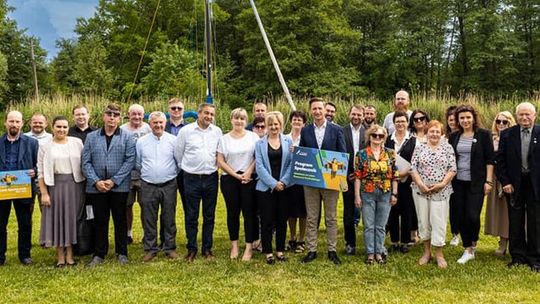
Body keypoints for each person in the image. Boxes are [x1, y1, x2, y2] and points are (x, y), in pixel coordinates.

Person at [82, 104, 136, 266]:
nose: (112, 117)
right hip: (97, 187)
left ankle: (122, 252)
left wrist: (114, 180)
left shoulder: (127, 137)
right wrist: (96, 181)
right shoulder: (91, 137)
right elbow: (85, 162)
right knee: (100, 220)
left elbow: (130, 161)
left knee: (120, 219)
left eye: (116, 115)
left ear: (120, 118)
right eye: (109, 114)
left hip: (119, 186)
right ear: (103, 116)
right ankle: (99, 253)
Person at [300, 97, 346, 265]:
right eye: (314, 109)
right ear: (311, 111)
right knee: (312, 217)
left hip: (330, 180)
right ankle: (311, 250)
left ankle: (332, 250)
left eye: (320, 108)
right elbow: (304, 154)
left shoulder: (336, 130)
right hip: (311, 180)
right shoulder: (305, 131)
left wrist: (339, 178)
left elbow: (342, 155)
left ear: (325, 110)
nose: (318, 112)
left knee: (331, 217)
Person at [175, 103, 222, 262]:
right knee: (191, 215)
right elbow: (178, 154)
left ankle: (207, 248)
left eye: (212, 114)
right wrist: (189, 168)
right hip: (191, 178)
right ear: (199, 113)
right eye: (206, 113)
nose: (209, 117)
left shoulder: (217, 132)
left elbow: (219, 154)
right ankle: (192, 248)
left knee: (209, 215)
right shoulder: (186, 131)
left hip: (211, 177)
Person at [448, 104, 494, 264]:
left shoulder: (484, 135)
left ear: (473, 118)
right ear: (458, 120)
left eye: (468, 117)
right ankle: (468, 248)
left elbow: (490, 160)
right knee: (461, 214)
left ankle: (473, 241)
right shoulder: (454, 136)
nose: (465, 120)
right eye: (462, 118)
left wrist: (488, 181)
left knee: (473, 215)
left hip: (477, 182)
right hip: (458, 182)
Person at [497, 102, 540, 272]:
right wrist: (505, 182)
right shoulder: (507, 134)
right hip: (514, 184)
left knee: (535, 221)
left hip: (536, 184)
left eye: (528, 114)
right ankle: (518, 256)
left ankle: (535, 258)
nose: (524, 117)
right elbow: (500, 161)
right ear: (516, 116)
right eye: (521, 114)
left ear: (534, 115)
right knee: (515, 221)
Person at [38, 116, 85, 267]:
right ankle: (60, 256)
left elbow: (84, 163)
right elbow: (40, 171)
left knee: (71, 219)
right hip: (55, 186)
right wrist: (44, 193)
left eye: (65, 127)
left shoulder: (77, 143)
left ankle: (70, 255)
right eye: (58, 127)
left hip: (75, 185)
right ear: (52, 127)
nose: (62, 130)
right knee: (58, 219)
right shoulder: (45, 146)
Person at [410, 120, 457, 268]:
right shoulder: (420, 148)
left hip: (441, 191)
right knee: (423, 221)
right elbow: (413, 168)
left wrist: (442, 184)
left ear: (442, 134)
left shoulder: (447, 148)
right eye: (432, 131)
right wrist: (421, 184)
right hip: (421, 190)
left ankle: (439, 253)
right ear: (427, 133)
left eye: (437, 131)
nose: (434, 134)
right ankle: (426, 252)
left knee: (438, 221)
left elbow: (452, 169)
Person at [217, 108, 259, 261]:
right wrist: (235, 175)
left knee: (249, 213)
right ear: (231, 120)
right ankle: (234, 245)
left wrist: (248, 172)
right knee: (232, 213)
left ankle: (248, 247)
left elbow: (257, 157)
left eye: (242, 118)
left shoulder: (253, 137)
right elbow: (220, 161)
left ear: (246, 121)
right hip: (230, 179)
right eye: (236, 118)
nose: (239, 121)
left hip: (249, 179)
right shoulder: (224, 139)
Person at [136, 111, 179, 262]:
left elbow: (178, 162)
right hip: (148, 185)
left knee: (169, 217)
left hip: (169, 184)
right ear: (150, 124)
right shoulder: (141, 142)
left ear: (165, 123)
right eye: (155, 123)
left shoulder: (173, 140)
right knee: (149, 218)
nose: (158, 125)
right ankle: (150, 248)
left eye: (161, 122)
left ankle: (169, 247)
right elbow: (138, 163)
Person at [354, 125, 399, 264]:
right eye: (375, 135)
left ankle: (379, 252)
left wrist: (394, 194)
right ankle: (370, 253)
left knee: (381, 225)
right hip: (367, 192)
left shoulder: (391, 153)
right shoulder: (361, 154)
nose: (377, 138)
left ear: (384, 137)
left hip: (385, 192)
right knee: (369, 225)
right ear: (370, 137)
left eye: (380, 136)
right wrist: (357, 196)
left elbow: (395, 175)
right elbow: (357, 176)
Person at [0, 111, 38, 266]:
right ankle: (0, 256)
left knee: (25, 224)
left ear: (22, 123)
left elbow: (38, 165)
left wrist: (35, 171)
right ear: (5, 122)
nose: (14, 124)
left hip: (23, 188)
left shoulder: (32, 143)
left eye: (17, 121)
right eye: (11, 121)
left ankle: (24, 255)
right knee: (0, 224)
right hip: (2, 190)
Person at [255, 111, 293, 264]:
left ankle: (280, 250)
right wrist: (273, 183)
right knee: (266, 220)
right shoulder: (260, 144)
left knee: (282, 219)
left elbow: (291, 163)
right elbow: (259, 166)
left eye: (276, 124)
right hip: (266, 188)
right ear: (266, 126)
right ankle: (268, 251)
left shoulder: (287, 142)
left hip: (284, 187)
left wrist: (283, 182)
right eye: (270, 124)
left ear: (280, 125)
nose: (273, 127)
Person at [385, 111, 416, 253]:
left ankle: (405, 241)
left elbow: (416, 162)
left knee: (406, 211)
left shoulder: (413, 140)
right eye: (397, 121)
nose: (400, 124)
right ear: (393, 123)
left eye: (403, 121)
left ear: (407, 123)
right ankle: (394, 241)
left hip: (408, 181)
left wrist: (403, 173)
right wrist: (393, 175)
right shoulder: (387, 140)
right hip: (390, 180)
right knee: (392, 211)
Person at [121, 104, 151, 245]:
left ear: (143, 115)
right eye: (134, 114)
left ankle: (147, 234)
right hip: (127, 175)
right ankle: (128, 233)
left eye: (140, 114)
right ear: (128, 114)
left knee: (146, 205)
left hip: (144, 175)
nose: (137, 117)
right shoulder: (122, 129)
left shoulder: (148, 129)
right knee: (127, 205)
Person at [486, 111, 515, 256]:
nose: (501, 124)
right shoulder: (491, 139)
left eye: (505, 121)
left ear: (511, 122)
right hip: (495, 178)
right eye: (499, 121)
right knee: (499, 212)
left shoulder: (514, 137)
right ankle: (502, 242)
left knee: (511, 212)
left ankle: (511, 242)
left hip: (511, 180)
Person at [342, 105, 366, 255]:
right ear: (349, 114)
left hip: (366, 178)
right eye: (354, 114)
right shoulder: (341, 131)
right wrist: (347, 174)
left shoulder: (369, 132)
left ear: (363, 116)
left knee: (368, 212)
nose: (356, 117)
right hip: (346, 178)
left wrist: (361, 174)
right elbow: (337, 153)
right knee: (348, 212)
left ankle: (370, 243)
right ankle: (350, 243)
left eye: (359, 115)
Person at [284, 110, 308, 253]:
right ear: (291, 121)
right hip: (288, 179)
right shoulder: (284, 138)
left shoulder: (306, 138)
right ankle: (292, 237)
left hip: (304, 179)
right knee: (291, 211)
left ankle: (301, 239)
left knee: (303, 211)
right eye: (294, 119)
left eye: (300, 120)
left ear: (304, 123)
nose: (297, 122)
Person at [444, 105, 460, 246]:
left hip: (461, 174)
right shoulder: (444, 136)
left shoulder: (464, 135)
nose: (453, 122)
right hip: (446, 176)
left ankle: (463, 232)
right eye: (450, 120)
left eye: (455, 119)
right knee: (452, 206)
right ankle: (455, 234)